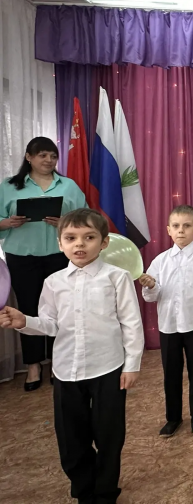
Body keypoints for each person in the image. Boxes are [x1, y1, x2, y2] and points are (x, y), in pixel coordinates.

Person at [0, 208, 144, 504]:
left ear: (104, 242)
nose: (80, 244)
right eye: (71, 238)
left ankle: (105, 492)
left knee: (109, 435)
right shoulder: (54, 282)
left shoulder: (116, 277)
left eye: (89, 237)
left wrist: (132, 365)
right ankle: (84, 491)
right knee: (71, 439)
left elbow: (131, 323)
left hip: (108, 368)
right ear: (60, 243)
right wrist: (25, 321)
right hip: (66, 371)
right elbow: (50, 324)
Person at [0, 136, 86, 391]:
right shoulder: (8, 186)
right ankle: (33, 365)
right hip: (22, 258)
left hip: (60, 256)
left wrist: (65, 222)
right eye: (43, 155)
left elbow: (86, 219)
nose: (49, 160)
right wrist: (8, 222)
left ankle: (59, 362)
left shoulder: (69, 186)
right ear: (29, 157)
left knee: (61, 308)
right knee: (28, 309)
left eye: (53, 156)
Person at [139, 205, 193, 438]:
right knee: (171, 372)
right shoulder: (160, 261)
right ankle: (173, 417)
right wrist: (151, 286)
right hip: (169, 326)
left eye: (187, 226)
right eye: (176, 226)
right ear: (168, 230)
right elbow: (151, 296)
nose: (181, 230)